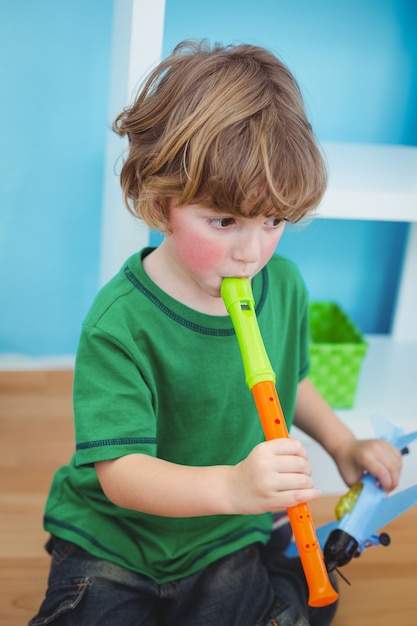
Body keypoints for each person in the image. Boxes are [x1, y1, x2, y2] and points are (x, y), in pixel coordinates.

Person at [30, 40, 402, 626]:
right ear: (160, 203)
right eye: (223, 221)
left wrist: (342, 445)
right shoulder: (118, 322)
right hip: (117, 539)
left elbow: (290, 379)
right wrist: (232, 486)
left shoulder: (283, 285)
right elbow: (121, 473)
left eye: (273, 221)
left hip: (227, 536)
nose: (251, 252)